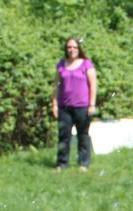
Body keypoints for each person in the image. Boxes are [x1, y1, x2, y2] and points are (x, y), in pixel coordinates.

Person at [52, 37, 97, 171]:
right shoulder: (61, 64)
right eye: (69, 47)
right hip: (64, 107)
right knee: (63, 136)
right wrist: (54, 104)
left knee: (83, 135)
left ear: (79, 49)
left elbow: (93, 84)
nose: (71, 50)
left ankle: (83, 164)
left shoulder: (86, 64)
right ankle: (61, 164)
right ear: (66, 49)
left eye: (74, 47)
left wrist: (92, 104)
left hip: (82, 106)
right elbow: (56, 85)